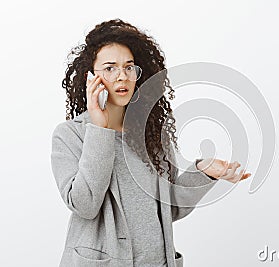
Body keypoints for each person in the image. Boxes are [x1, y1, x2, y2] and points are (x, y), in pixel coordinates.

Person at [51, 18, 251, 267]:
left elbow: (169, 209)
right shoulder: (71, 135)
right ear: (91, 77)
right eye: (110, 68)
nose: (122, 76)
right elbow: (84, 205)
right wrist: (100, 128)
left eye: (129, 67)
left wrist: (203, 173)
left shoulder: (152, 133)